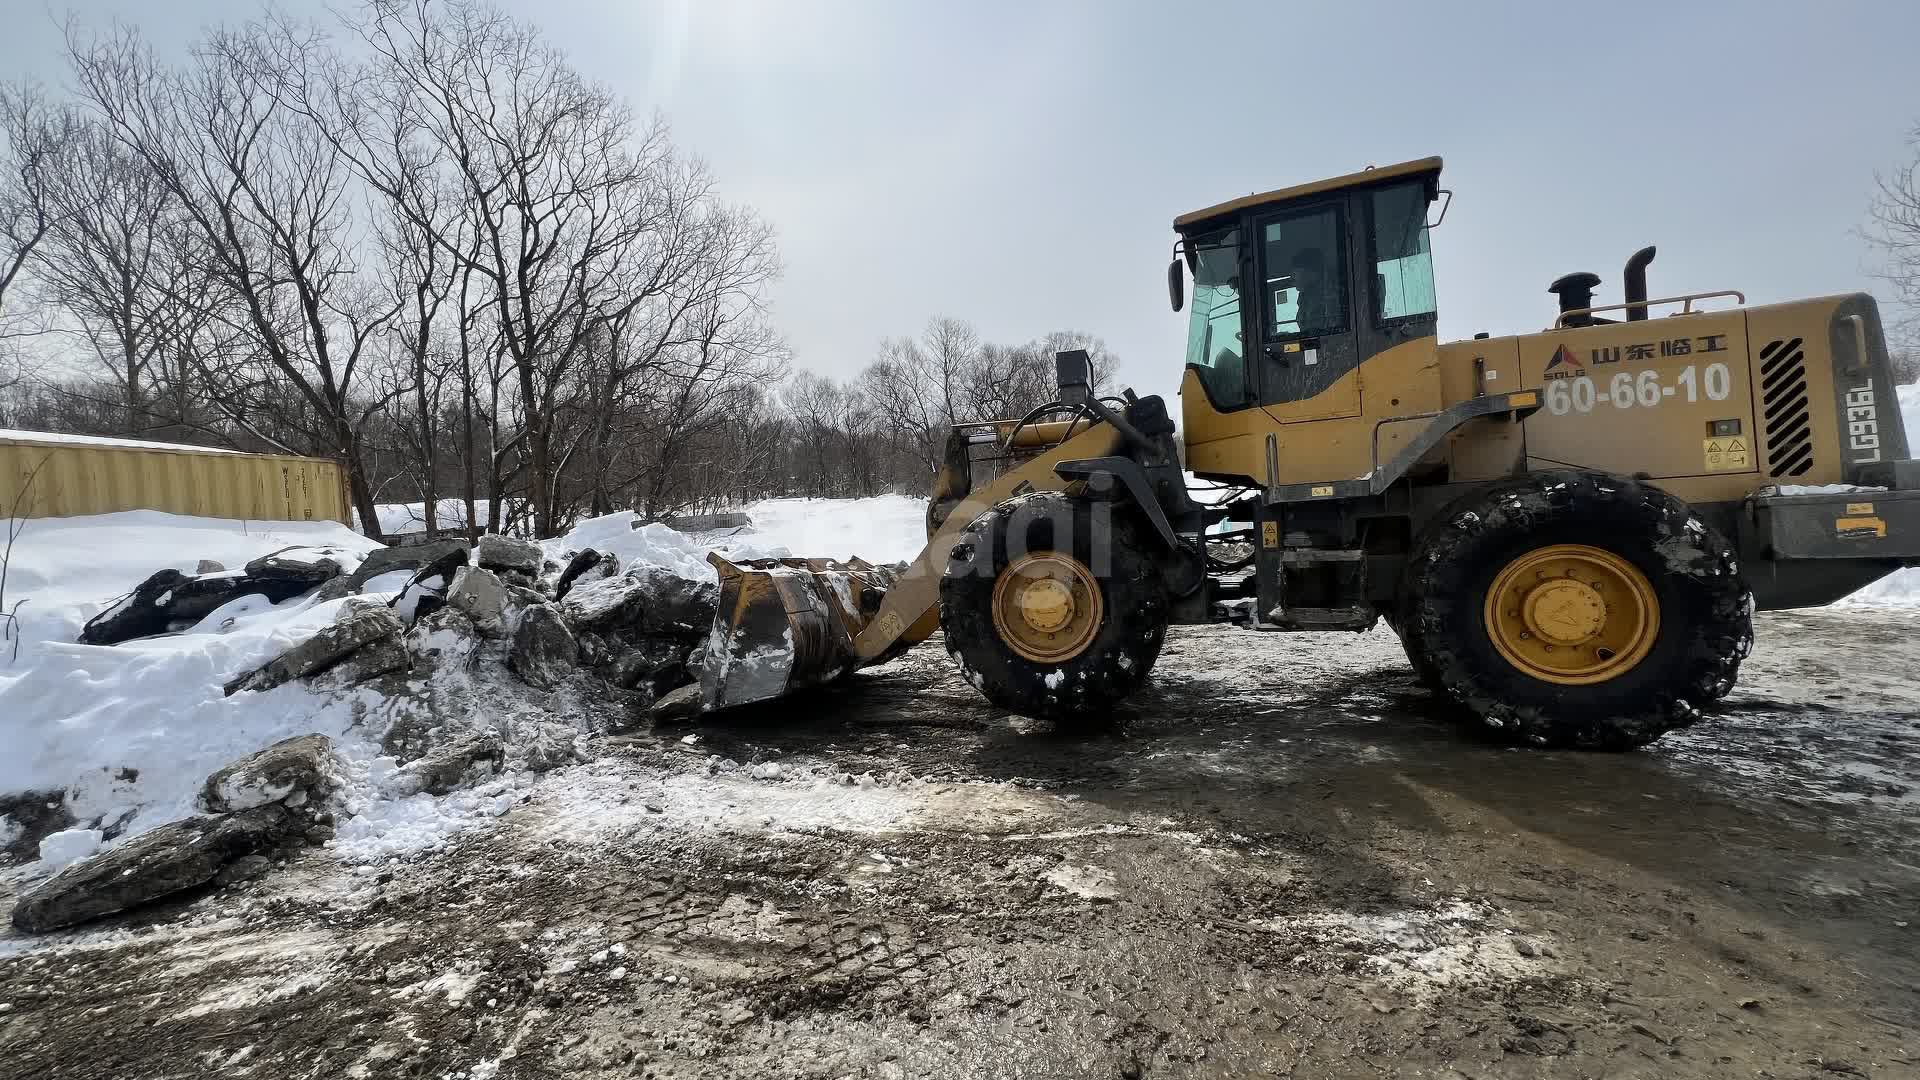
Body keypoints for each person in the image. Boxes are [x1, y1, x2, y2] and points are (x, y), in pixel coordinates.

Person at [1289, 247, 1340, 336]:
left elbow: (1332, 332)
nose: (1292, 278)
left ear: (1312, 273)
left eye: (1295, 273)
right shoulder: (1304, 297)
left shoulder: (1332, 297)